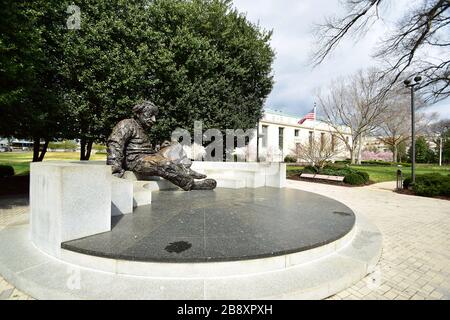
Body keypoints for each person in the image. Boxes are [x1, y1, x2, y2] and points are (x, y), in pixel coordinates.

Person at [107, 101, 217, 191]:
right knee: (165, 164)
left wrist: (159, 149)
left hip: (148, 156)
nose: (154, 120)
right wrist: (115, 171)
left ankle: (186, 169)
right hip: (135, 160)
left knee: (175, 146)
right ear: (138, 114)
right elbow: (115, 144)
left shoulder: (143, 129)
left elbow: (144, 148)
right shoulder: (126, 124)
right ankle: (191, 184)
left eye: (154, 116)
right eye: (150, 115)